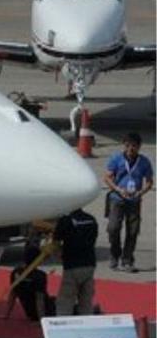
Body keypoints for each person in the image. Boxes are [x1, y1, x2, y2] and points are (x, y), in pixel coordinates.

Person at [103, 132, 153, 272]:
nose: (130, 149)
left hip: (134, 200)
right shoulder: (116, 159)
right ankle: (114, 254)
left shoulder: (144, 162)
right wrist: (118, 190)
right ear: (124, 145)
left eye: (134, 146)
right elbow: (107, 178)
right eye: (128, 146)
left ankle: (127, 259)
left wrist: (140, 192)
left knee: (133, 231)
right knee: (113, 228)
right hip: (117, 199)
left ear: (139, 147)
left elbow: (149, 182)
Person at [53, 207, 99, 316]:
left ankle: (63, 325)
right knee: (86, 301)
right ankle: (87, 323)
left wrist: (59, 255)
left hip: (72, 265)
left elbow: (56, 240)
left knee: (65, 300)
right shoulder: (91, 219)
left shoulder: (66, 220)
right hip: (89, 263)